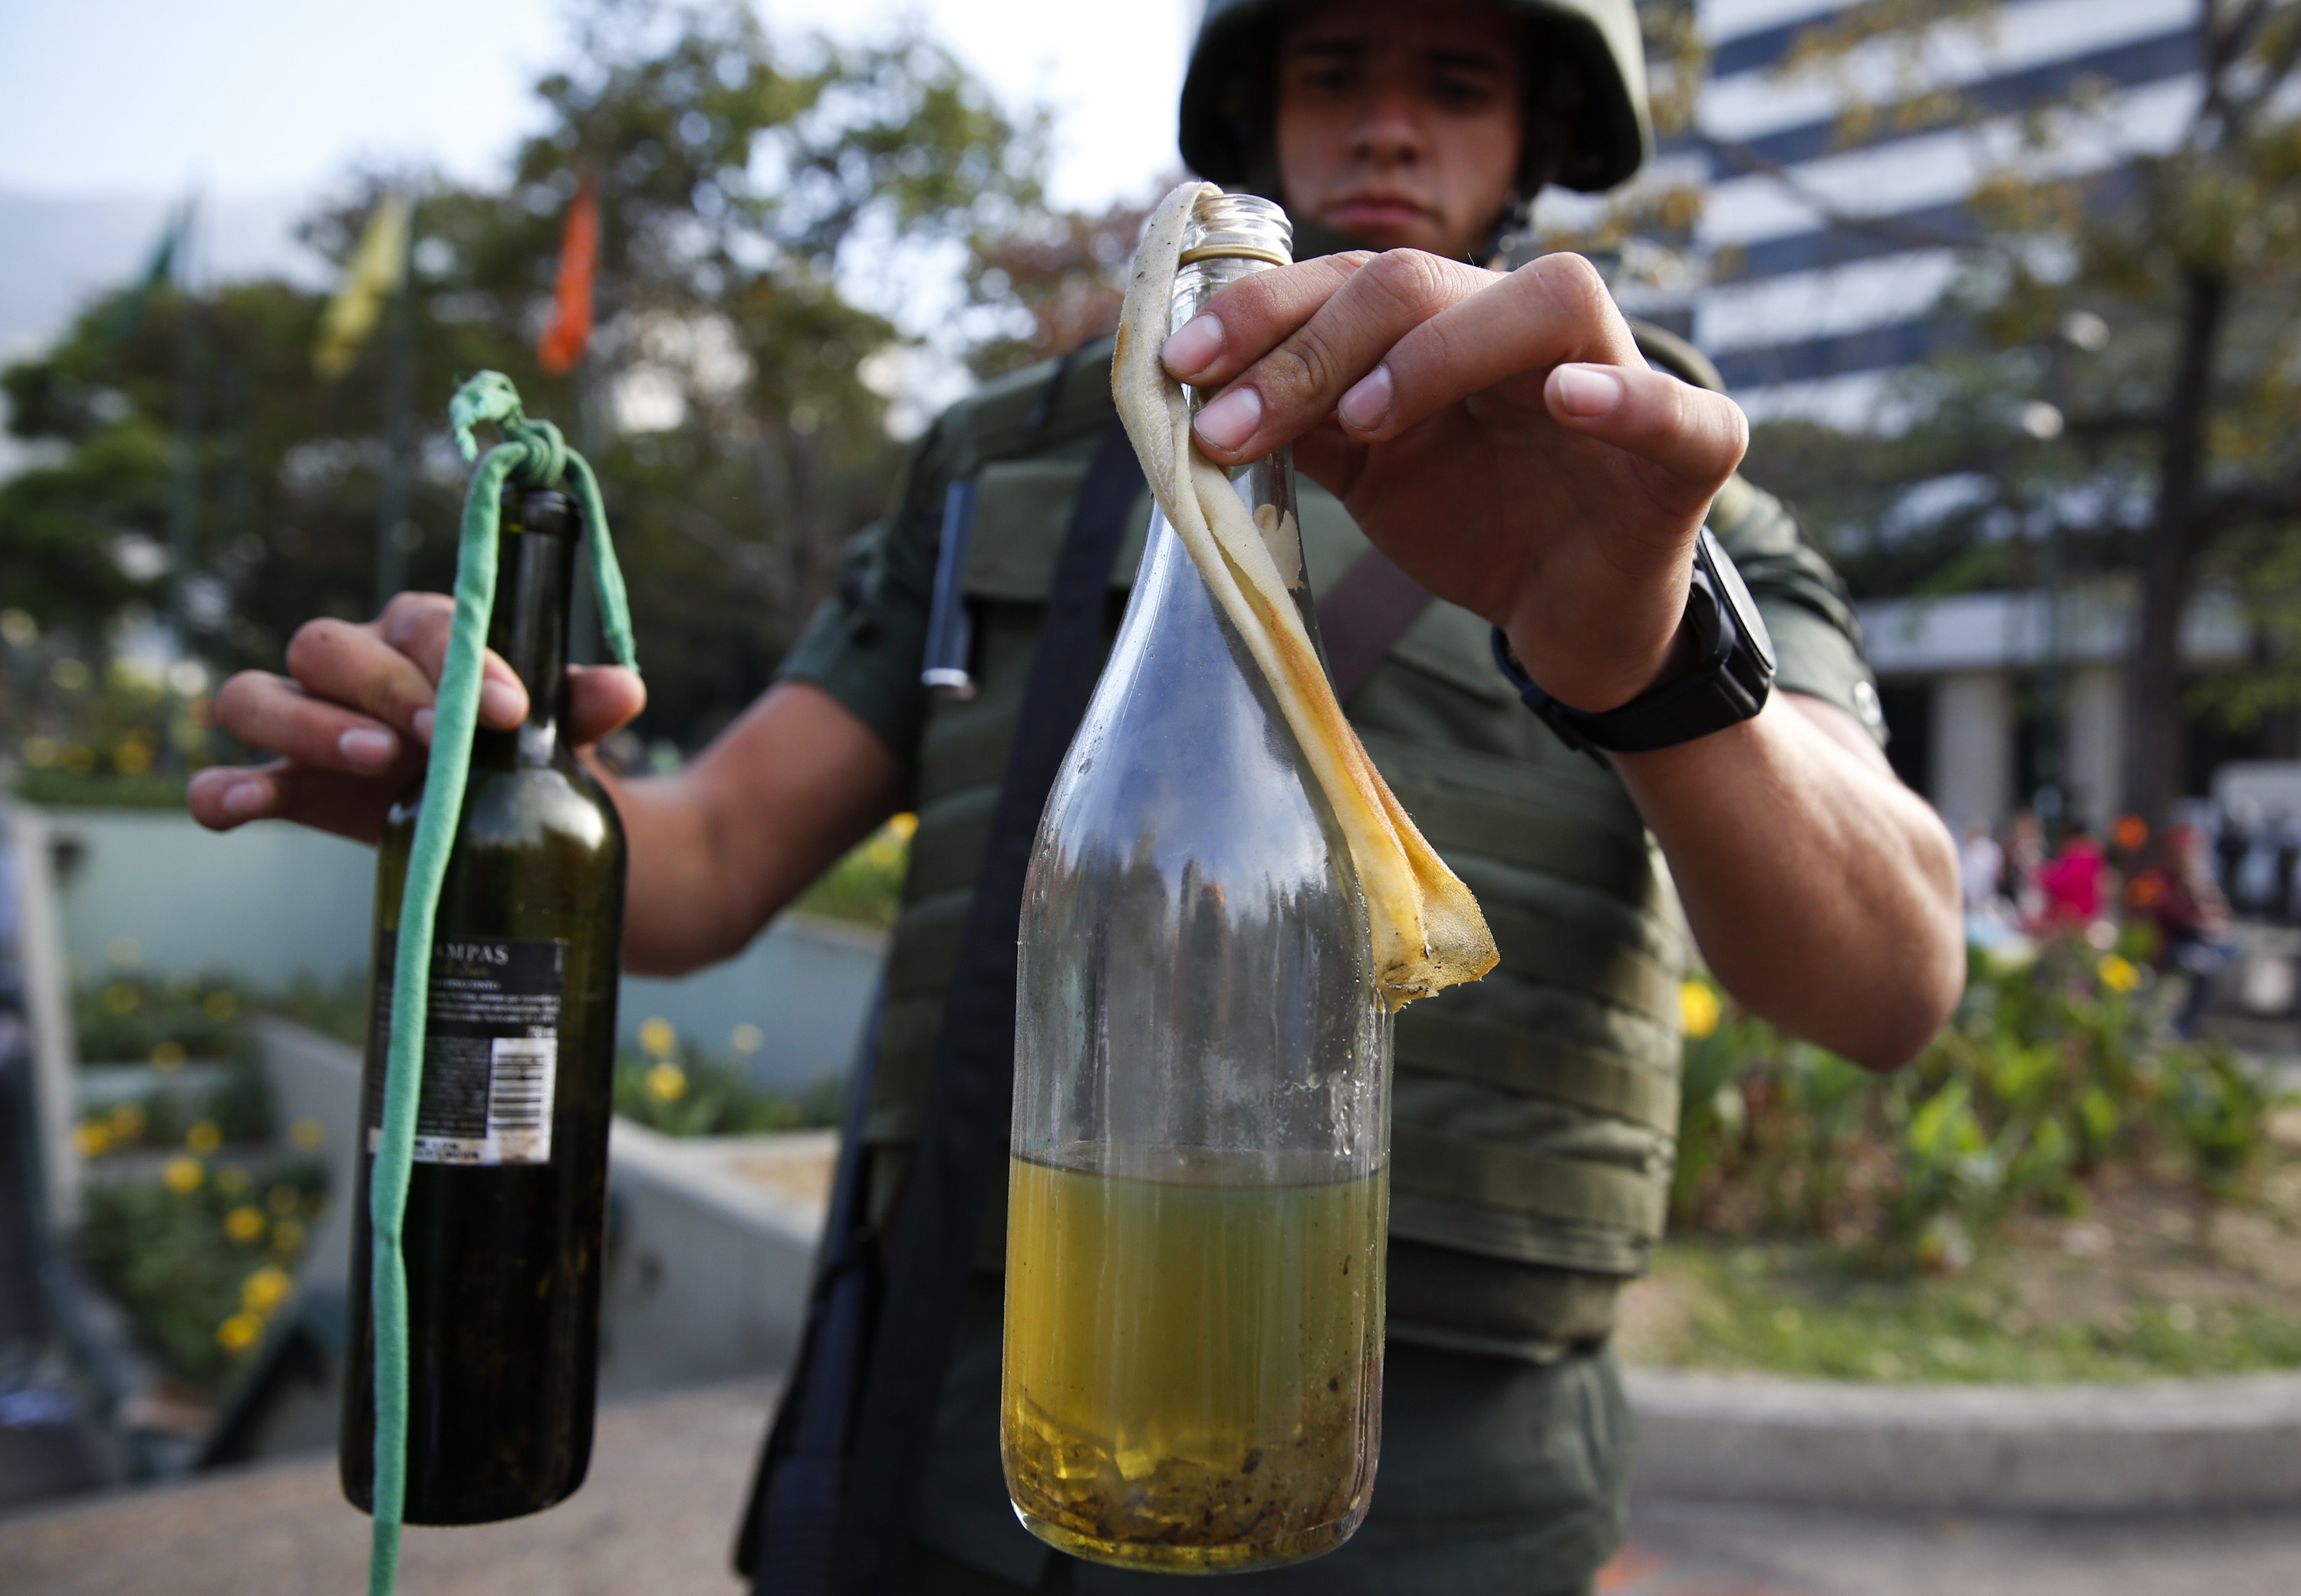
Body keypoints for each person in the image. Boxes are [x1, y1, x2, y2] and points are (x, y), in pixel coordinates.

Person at [188, 1, 1964, 1589]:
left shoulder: (1659, 473)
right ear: (1254, 109)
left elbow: (1892, 979)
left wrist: (1647, 659)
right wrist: (484, 800)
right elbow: (711, 862)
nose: (1392, 125)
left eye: (1459, 75)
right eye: (1335, 66)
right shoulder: (1011, 464)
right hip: (971, 1456)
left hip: (1440, 1506)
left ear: (1543, 130)